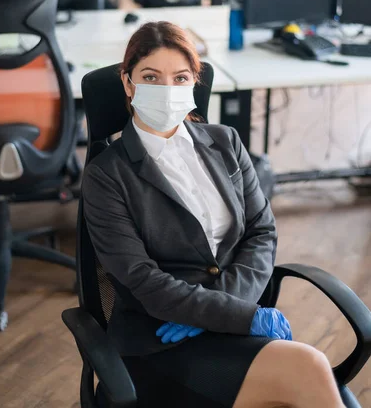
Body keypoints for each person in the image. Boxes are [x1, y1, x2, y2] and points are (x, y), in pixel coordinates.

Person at [82, 21, 345, 408]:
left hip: (228, 323)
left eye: (180, 77)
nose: (167, 90)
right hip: (159, 342)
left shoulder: (226, 143)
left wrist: (223, 313)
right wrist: (236, 317)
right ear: (128, 83)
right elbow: (142, 280)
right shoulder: (107, 175)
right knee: (307, 367)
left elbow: (261, 233)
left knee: (301, 379)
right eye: (151, 77)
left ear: (194, 84)